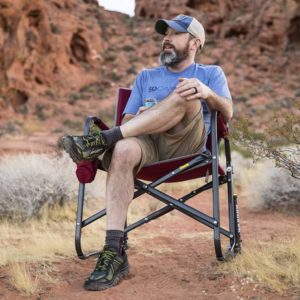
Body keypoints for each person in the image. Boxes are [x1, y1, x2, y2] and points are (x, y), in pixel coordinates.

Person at [62, 14, 233, 291]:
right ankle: (114, 251)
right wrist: (145, 115)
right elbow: (129, 124)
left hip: (187, 146)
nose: (166, 38)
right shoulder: (146, 77)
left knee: (187, 91)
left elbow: (228, 112)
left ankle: (102, 139)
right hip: (148, 145)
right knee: (123, 149)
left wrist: (206, 92)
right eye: (165, 34)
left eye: (175, 34)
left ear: (194, 43)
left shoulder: (210, 74)